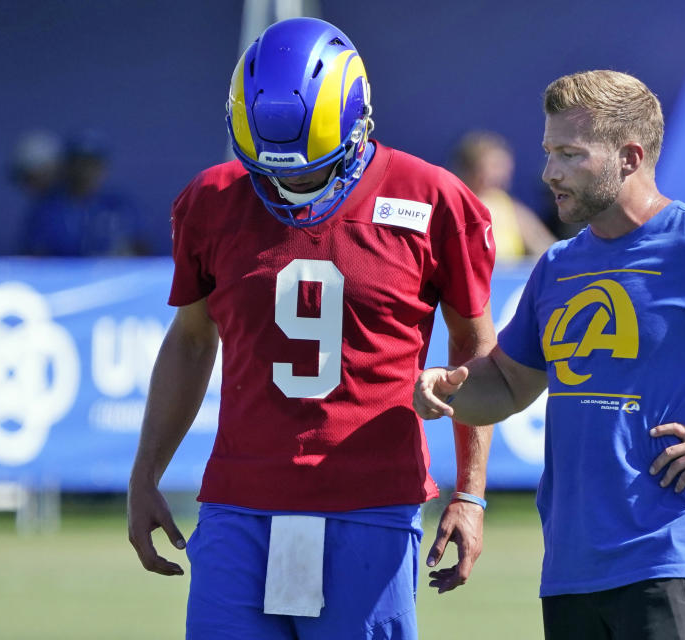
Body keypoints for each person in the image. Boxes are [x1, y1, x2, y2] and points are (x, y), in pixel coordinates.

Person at [414, 70, 685, 640]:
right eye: (548, 152)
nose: (549, 172)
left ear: (630, 156)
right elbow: (509, 385)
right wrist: (442, 387)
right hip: (569, 569)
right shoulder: (558, 265)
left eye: (569, 153)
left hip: (673, 562)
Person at [126, 17, 496, 639]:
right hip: (239, 499)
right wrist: (145, 474)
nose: (288, 184)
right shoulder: (212, 200)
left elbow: (474, 347)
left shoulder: (432, 198)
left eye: (309, 169)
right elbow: (192, 340)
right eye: (271, 170)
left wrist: (471, 491)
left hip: (372, 502)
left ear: (358, 123)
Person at [19, 130, 152, 256]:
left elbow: (141, 249)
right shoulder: (48, 209)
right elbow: (33, 257)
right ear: (68, 166)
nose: (87, 171)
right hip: (66, 277)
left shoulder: (119, 205)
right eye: (81, 163)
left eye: (94, 164)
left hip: (113, 276)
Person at [452, 130, 556, 261]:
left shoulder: (515, 213)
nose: (501, 174)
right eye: (494, 166)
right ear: (470, 169)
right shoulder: (451, 210)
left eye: (503, 167)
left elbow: (548, 252)